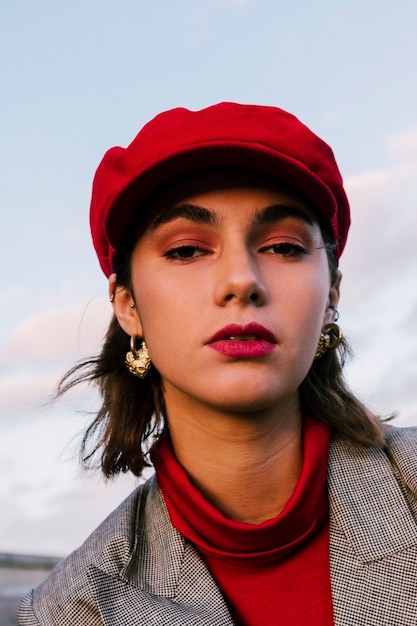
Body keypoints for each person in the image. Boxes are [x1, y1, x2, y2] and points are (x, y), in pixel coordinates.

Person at [18, 103, 417, 626]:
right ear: (128, 306)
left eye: (282, 246)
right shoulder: (66, 612)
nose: (240, 280)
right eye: (186, 250)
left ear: (332, 295)